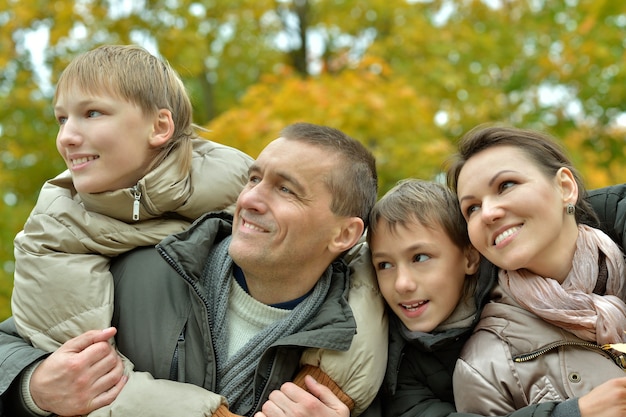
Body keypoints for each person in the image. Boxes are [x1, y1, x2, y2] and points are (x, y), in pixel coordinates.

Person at [0, 122, 388, 417]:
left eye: (285, 189)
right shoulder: (140, 269)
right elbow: (13, 341)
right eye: (254, 179)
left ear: (344, 234)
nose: (251, 199)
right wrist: (32, 387)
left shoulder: (362, 351)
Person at [8, 44, 255, 416]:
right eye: (62, 119)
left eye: (91, 113)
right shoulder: (54, 230)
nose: (67, 137)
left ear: (159, 127)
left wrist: (330, 385)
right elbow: (95, 378)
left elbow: (350, 267)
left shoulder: (242, 181)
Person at [446, 125, 626, 416]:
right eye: (472, 208)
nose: (489, 213)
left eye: (505, 185)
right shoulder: (486, 365)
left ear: (565, 187)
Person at [366, 178, 483, 417]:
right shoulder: (397, 366)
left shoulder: (520, 303)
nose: (402, 284)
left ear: (470, 259)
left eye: (420, 258)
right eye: (385, 264)